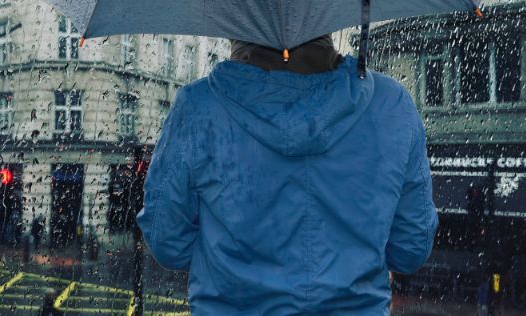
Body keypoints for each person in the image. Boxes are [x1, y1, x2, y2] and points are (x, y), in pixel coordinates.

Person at [138, 35, 438, 314]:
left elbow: (167, 243)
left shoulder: (199, 106)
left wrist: (227, 261)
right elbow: (410, 249)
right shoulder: (392, 103)